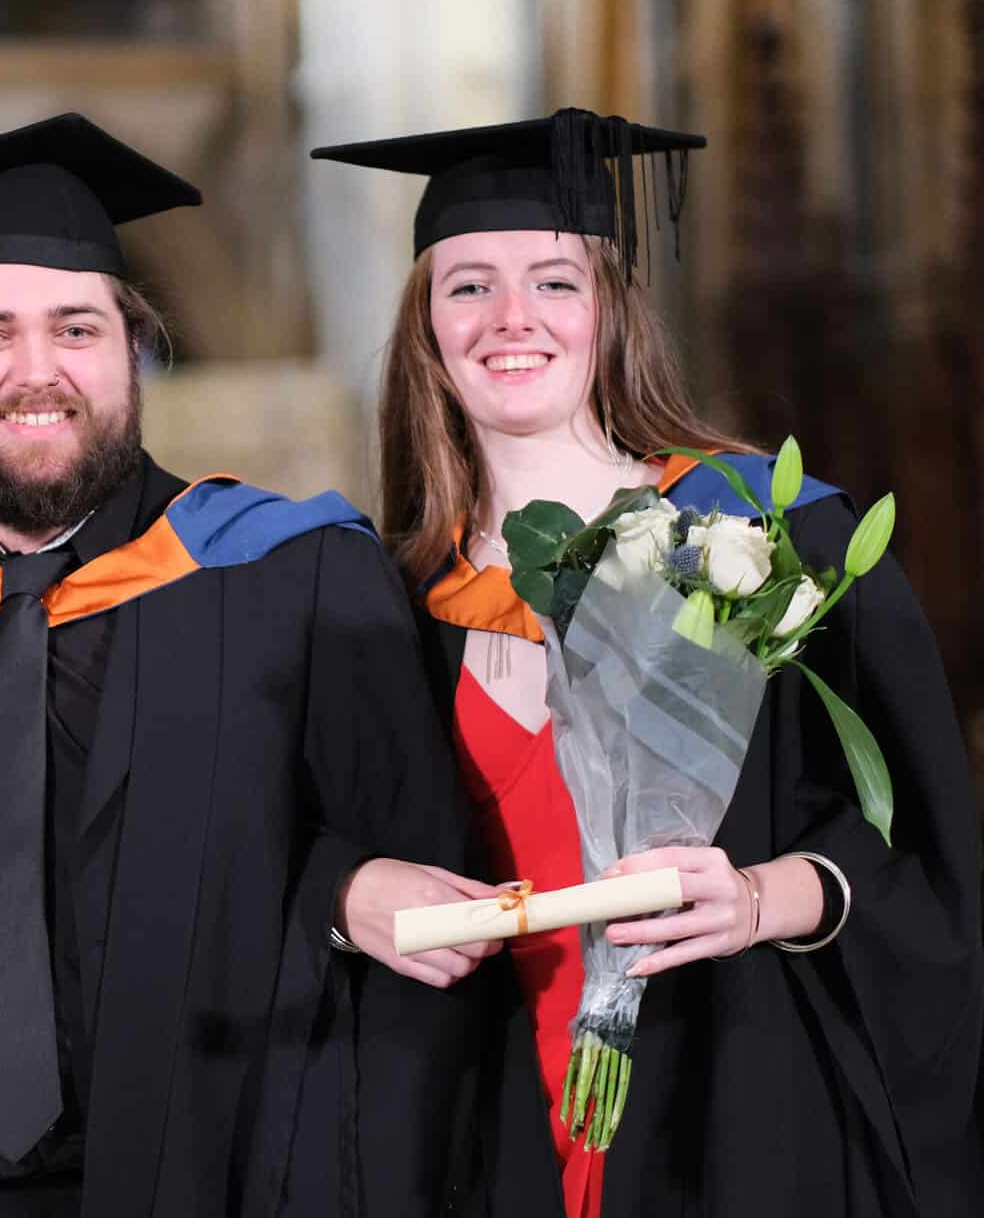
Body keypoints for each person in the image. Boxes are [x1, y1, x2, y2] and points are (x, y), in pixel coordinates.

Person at [0, 113, 505, 1218]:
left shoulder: (295, 579)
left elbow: (416, 900)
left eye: (75, 327)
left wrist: (343, 891)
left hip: (229, 1177)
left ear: (132, 342)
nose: (36, 371)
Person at [313, 108, 984, 1216]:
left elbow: (920, 833)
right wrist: (346, 893)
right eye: (468, 283)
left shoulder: (769, 539)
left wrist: (766, 896)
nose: (510, 317)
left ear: (614, 312)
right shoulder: (376, 602)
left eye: (556, 282)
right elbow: (285, 848)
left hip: (737, 1111)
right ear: (426, 325)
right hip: (476, 1123)